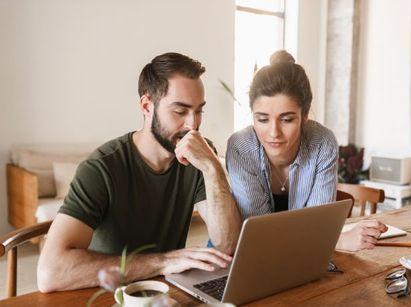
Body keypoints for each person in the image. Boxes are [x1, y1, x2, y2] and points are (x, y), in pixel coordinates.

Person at [37, 52, 241, 292]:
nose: (193, 125)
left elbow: (228, 244)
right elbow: (50, 272)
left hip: (164, 293)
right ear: (147, 106)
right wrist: (164, 261)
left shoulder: (199, 156)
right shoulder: (102, 168)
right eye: (180, 111)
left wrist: (212, 167)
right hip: (107, 294)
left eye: (199, 111)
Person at [226, 50, 387, 252]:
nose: (274, 132)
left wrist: (322, 238)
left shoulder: (322, 143)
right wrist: (337, 241)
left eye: (287, 119)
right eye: (262, 119)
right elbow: (260, 236)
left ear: (305, 116)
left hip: (300, 256)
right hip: (243, 255)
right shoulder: (240, 147)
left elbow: (315, 226)